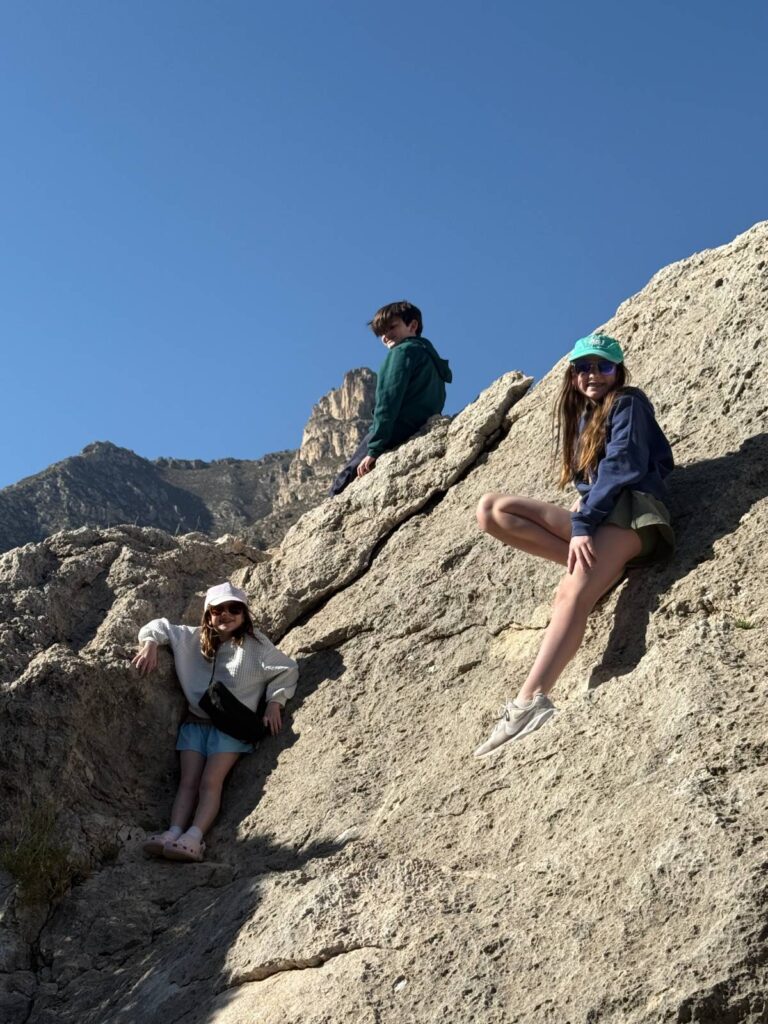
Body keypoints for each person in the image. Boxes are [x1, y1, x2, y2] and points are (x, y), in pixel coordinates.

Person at [473, 333, 674, 757]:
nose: (593, 375)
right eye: (584, 367)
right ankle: (600, 571)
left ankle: (530, 702)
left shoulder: (629, 402)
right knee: (492, 510)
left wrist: (583, 523)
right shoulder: (584, 417)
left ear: (618, 371)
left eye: (603, 366)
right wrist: (585, 512)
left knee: (569, 594)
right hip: (600, 520)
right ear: (573, 375)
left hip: (631, 517)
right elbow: (592, 482)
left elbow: (623, 465)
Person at [132, 582, 298, 861]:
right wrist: (150, 644)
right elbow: (159, 626)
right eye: (218, 610)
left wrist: (275, 702)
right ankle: (173, 832)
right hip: (195, 724)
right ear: (208, 614)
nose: (226, 615)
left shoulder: (256, 645)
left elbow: (287, 669)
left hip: (229, 729)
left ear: (244, 614)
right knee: (188, 782)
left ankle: (194, 837)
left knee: (210, 782)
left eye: (234, 609)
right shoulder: (193, 638)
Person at [329, 300, 452, 496]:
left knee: (343, 483)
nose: (386, 336)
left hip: (393, 431)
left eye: (391, 327)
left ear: (413, 325)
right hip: (418, 430)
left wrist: (374, 449)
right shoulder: (432, 361)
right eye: (381, 333)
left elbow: (387, 402)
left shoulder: (401, 352)